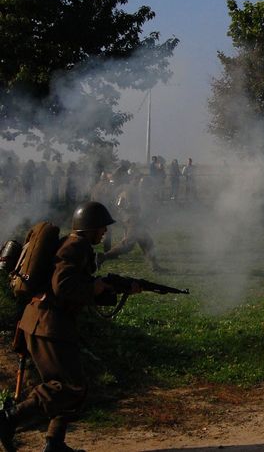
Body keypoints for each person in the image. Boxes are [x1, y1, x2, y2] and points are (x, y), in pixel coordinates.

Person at [0, 201, 140, 452]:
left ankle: (55, 442)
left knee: (72, 386)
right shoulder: (75, 246)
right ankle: (7, 420)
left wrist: (116, 290)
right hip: (48, 324)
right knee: (67, 386)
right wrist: (93, 287)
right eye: (101, 228)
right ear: (89, 228)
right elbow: (62, 286)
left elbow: (77, 290)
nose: (105, 233)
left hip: (46, 322)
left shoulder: (76, 246)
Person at [98, 173, 164, 272]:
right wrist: (129, 216)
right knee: (128, 245)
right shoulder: (129, 190)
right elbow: (120, 205)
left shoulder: (131, 190)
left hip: (134, 220)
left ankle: (154, 266)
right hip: (133, 220)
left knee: (147, 243)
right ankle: (102, 257)